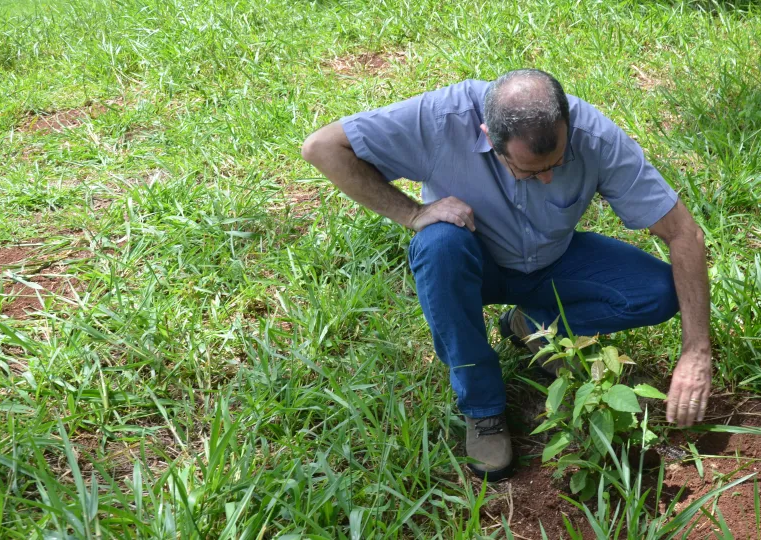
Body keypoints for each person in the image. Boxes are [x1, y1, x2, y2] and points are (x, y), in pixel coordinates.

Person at [301, 69, 712, 481]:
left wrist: (696, 352)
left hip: (552, 262)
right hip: (472, 265)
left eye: (558, 162)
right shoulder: (442, 118)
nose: (549, 177)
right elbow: (322, 147)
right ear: (487, 136)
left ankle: (530, 326)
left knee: (657, 291)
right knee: (437, 245)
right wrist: (412, 212)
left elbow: (685, 233)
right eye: (532, 171)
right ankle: (483, 408)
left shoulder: (595, 135)